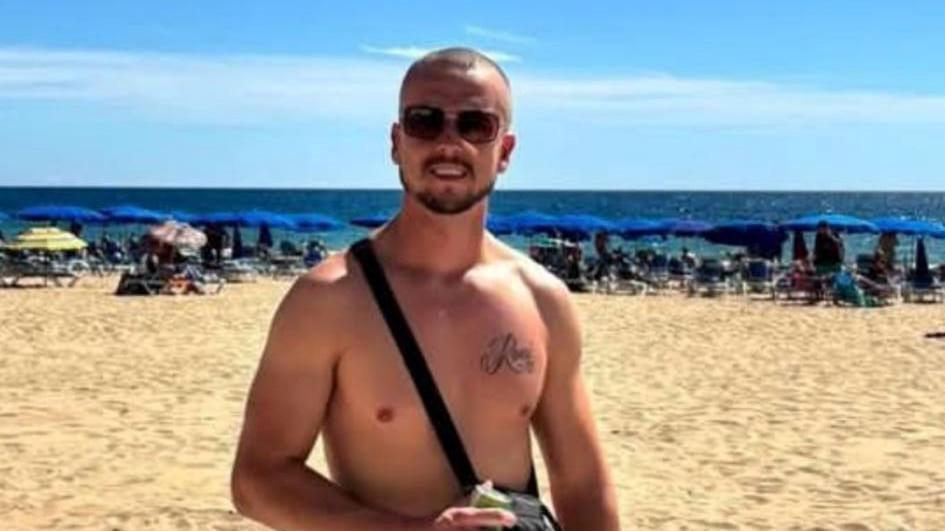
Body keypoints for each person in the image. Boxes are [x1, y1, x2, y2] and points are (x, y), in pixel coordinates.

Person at [231, 47, 620, 531]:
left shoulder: (541, 300)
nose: (449, 142)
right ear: (397, 142)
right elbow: (258, 478)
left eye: (476, 124)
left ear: (505, 151)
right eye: (425, 121)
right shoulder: (330, 300)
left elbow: (582, 482)